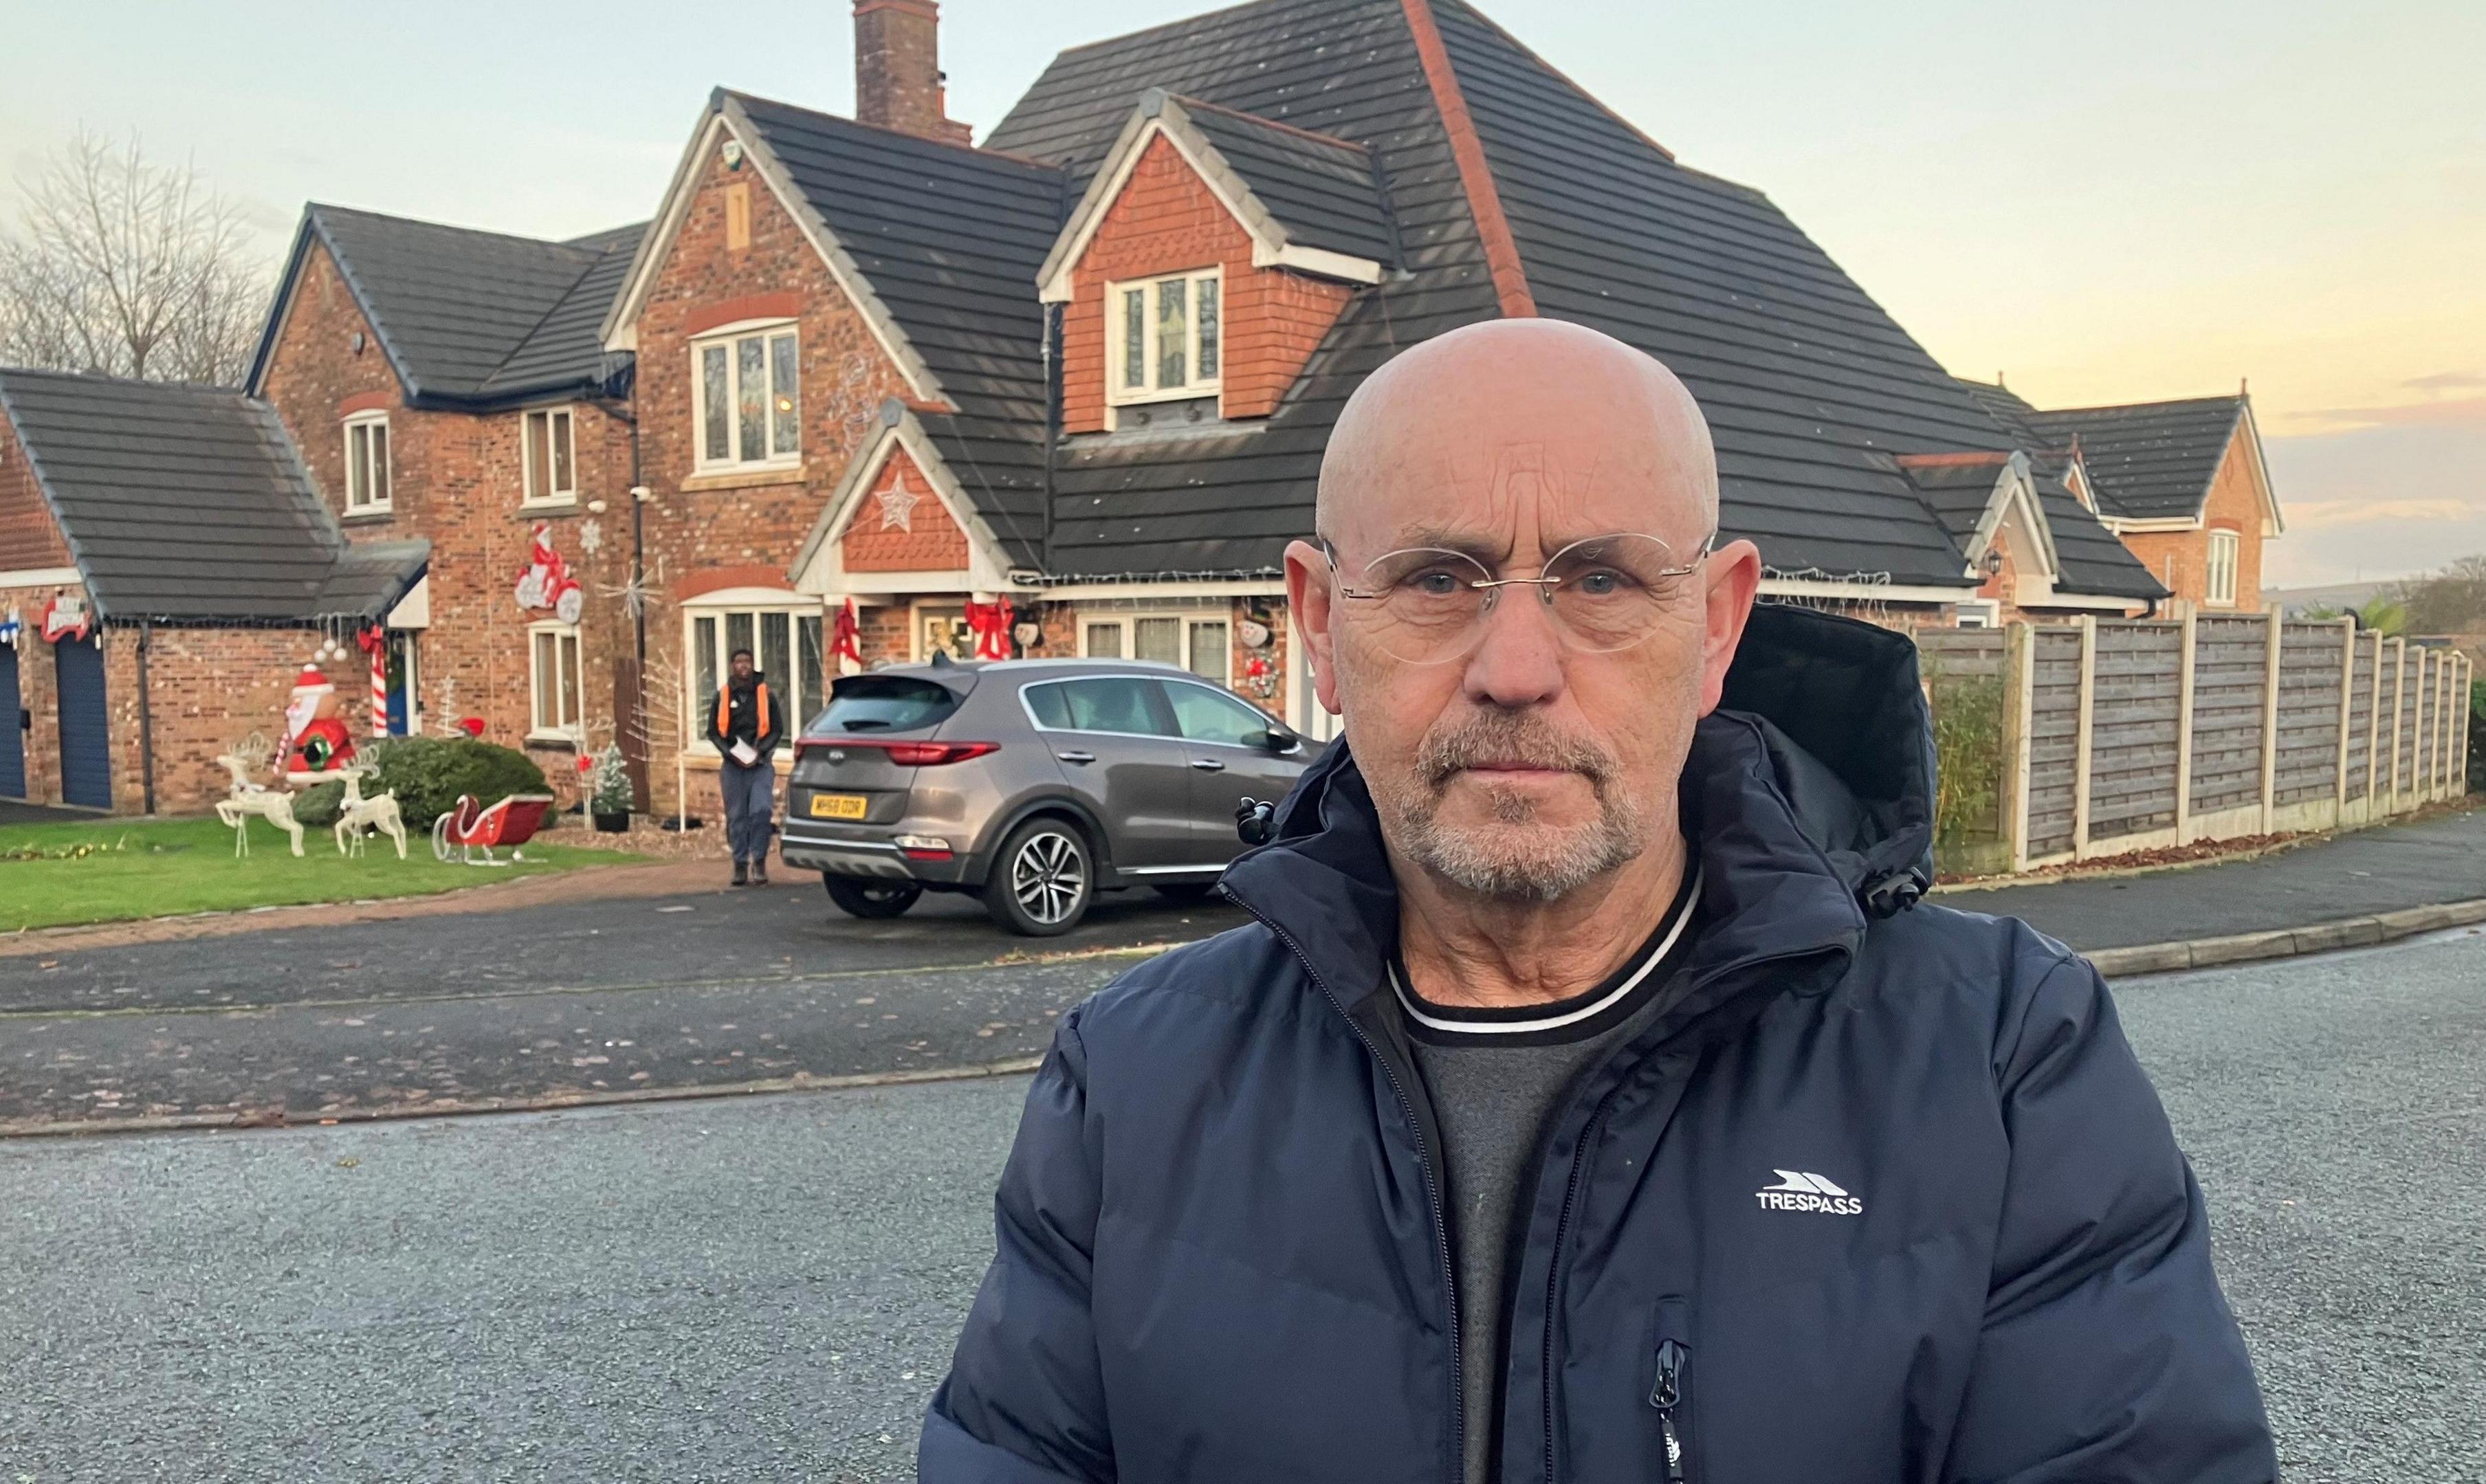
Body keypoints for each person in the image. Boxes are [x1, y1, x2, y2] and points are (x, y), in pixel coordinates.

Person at [921, 320, 2276, 1483]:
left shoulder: (2000, 1060)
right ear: (1321, 622)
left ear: (1719, 625)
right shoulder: (1135, 1079)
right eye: (1440, 577)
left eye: (1604, 577)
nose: (1517, 664)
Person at [707, 647, 784, 886]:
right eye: (739, 662)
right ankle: (740, 864)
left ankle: (759, 862)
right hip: (733, 765)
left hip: (760, 764)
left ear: (752, 665)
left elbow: (777, 729)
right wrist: (730, 753)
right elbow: (713, 732)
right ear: (732, 666)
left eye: (747, 662)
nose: (744, 666)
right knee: (737, 816)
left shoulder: (766, 695)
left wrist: (759, 752)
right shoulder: (722, 696)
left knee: (761, 812)